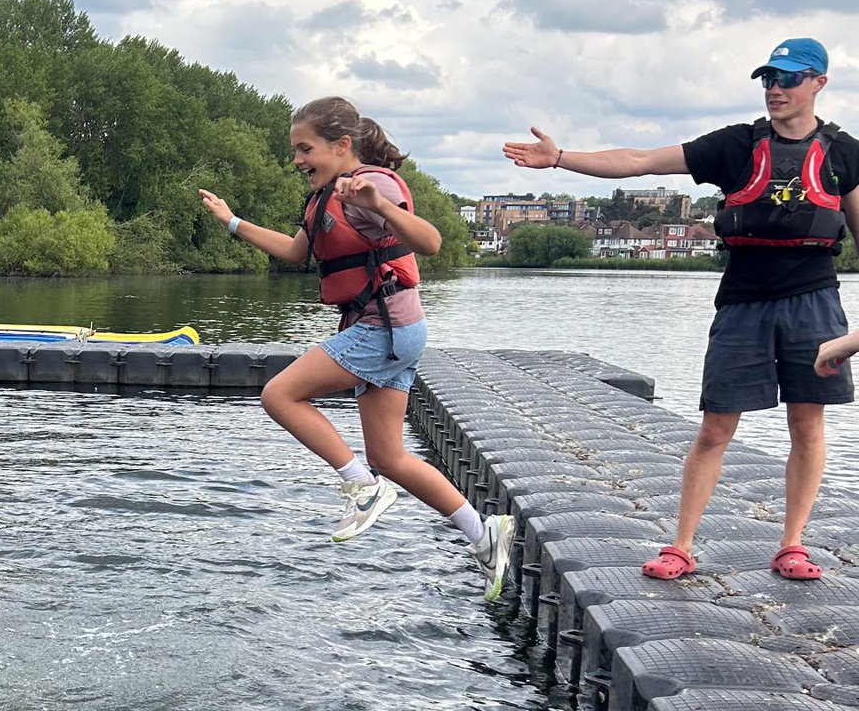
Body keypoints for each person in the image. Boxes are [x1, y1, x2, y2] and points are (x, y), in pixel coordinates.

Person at [504, 38, 859, 581]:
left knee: (807, 425)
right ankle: (681, 546)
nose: (775, 89)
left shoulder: (844, 154)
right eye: (769, 79)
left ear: (819, 83)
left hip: (814, 302)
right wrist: (559, 159)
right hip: (743, 302)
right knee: (715, 427)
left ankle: (792, 545)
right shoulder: (735, 145)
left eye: (788, 79)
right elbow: (641, 161)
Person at [199, 96, 516, 601]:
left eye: (306, 149)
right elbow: (294, 251)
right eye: (296, 150)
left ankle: (361, 487)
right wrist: (231, 221)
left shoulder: (372, 186)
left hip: (382, 329)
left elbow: (430, 242)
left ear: (341, 145)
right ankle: (483, 534)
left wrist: (379, 205)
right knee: (389, 456)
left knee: (279, 395)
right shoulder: (326, 197)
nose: (297, 160)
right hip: (395, 331)